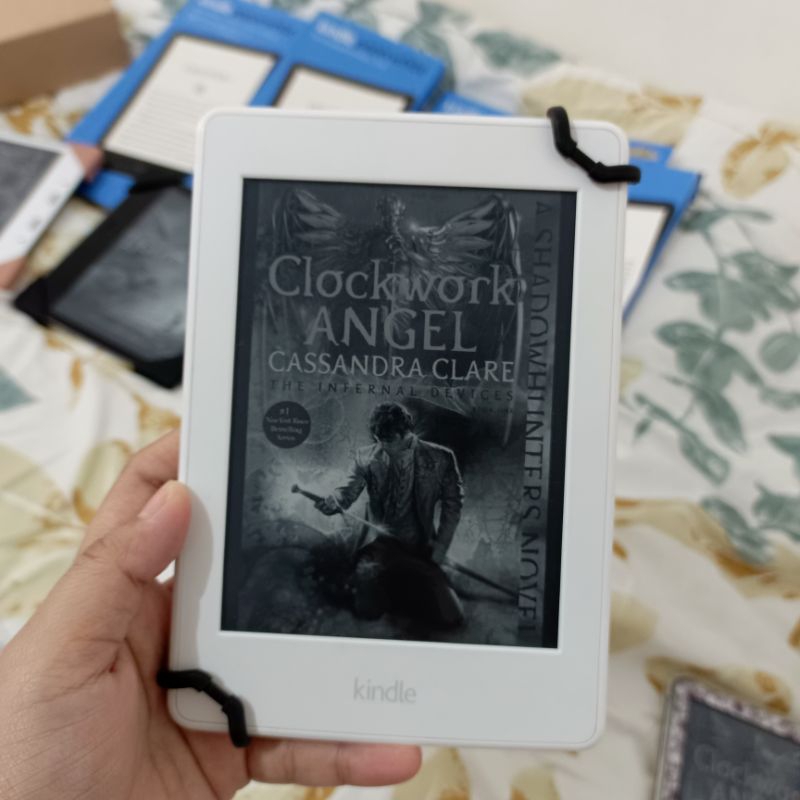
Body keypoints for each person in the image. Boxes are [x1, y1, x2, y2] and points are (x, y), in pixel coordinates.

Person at [0, 431, 420, 799]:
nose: (387, 450)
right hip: (353, 556)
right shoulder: (356, 472)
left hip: (412, 551)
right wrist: (331, 504)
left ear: (407, 436)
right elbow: (344, 497)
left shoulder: (431, 460)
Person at [315, 402, 465, 629]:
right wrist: (334, 501)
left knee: (451, 617)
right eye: (379, 440)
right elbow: (347, 491)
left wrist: (440, 549)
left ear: (407, 433)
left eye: (389, 441)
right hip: (379, 548)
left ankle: (412, 587)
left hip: (420, 550)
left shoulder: (441, 458)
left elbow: (453, 506)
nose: (383, 446)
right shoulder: (365, 457)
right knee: (367, 610)